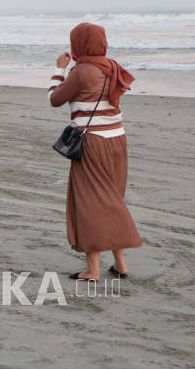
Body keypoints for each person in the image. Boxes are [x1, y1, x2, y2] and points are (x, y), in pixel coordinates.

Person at [49, 23, 141, 281]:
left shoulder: (81, 71)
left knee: (90, 203)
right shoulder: (112, 66)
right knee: (113, 200)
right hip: (118, 140)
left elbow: (54, 99)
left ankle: (92, 269)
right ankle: (120, 263)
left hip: (93, 143)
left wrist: (59, 68)